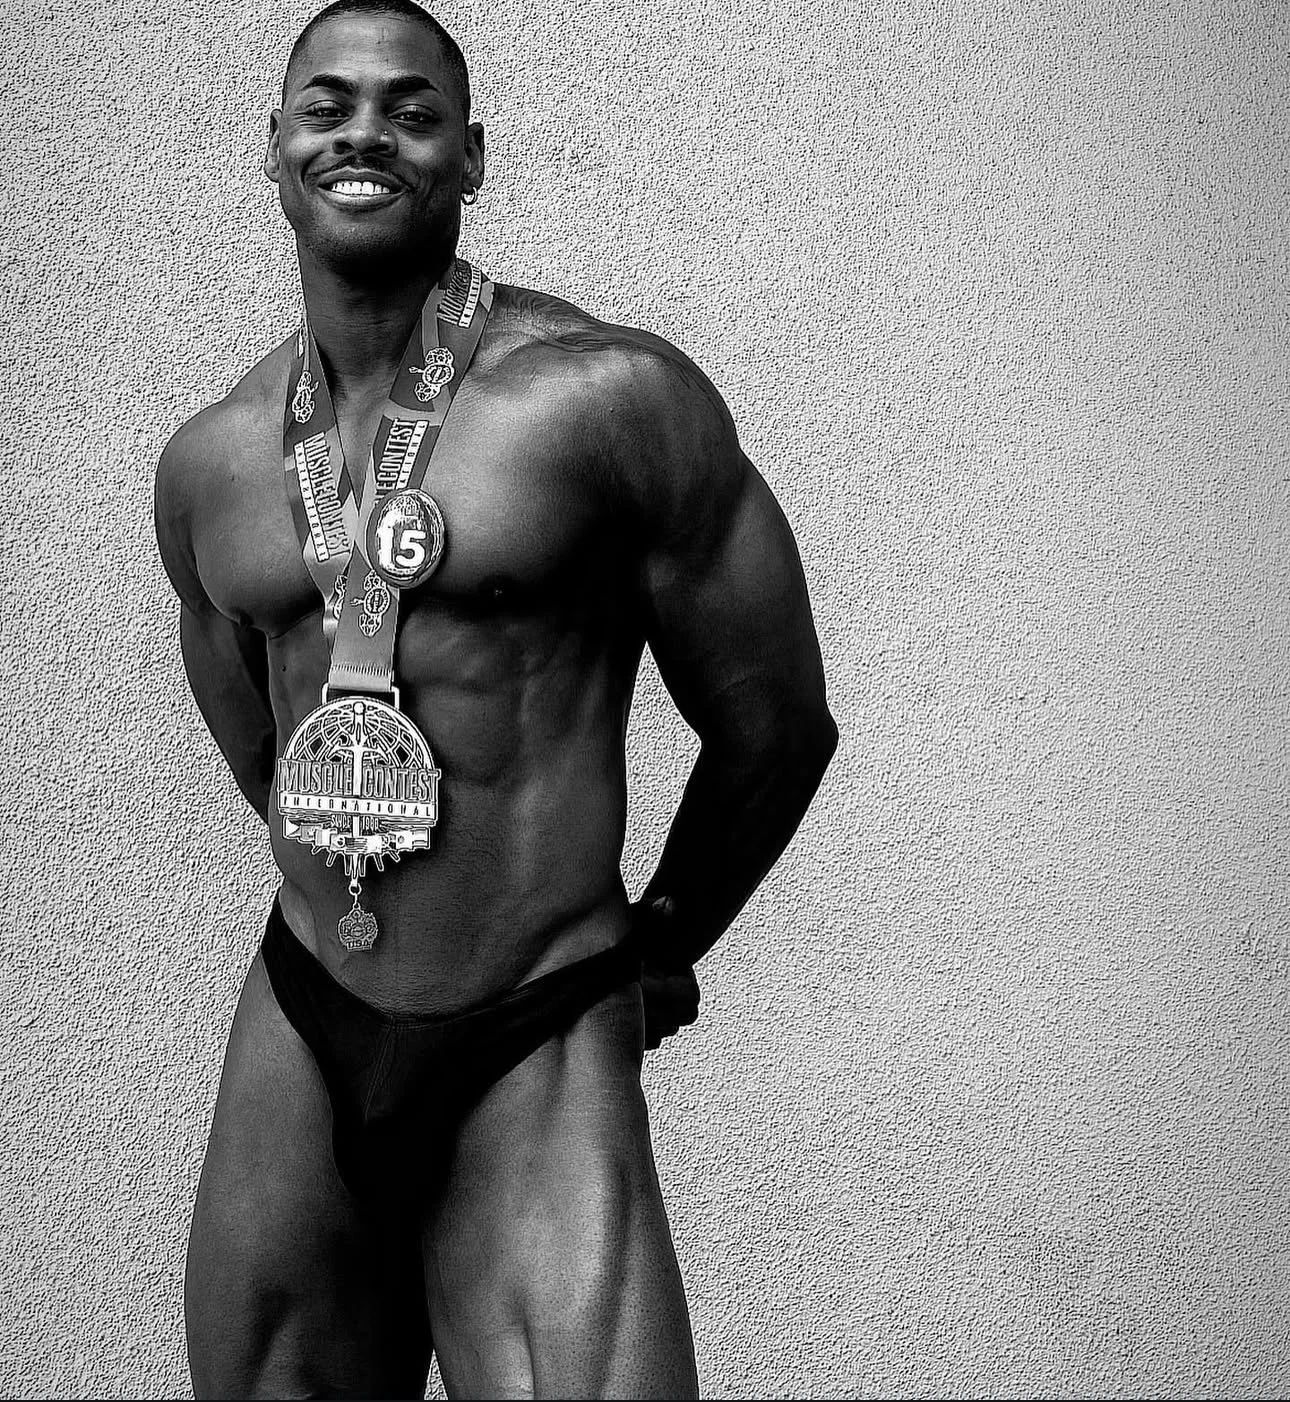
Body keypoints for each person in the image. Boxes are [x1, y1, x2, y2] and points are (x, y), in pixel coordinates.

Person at [154, 0, 836, 1395]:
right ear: (272, 154)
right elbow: (264, 749)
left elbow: (775, 722)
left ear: (472, 158)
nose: (364, 132)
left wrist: (664, 932)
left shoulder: (608, 401)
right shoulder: (214, 465)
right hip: (308, 1007)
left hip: (537, 1016)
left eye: (412, 111)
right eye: (325, 105)